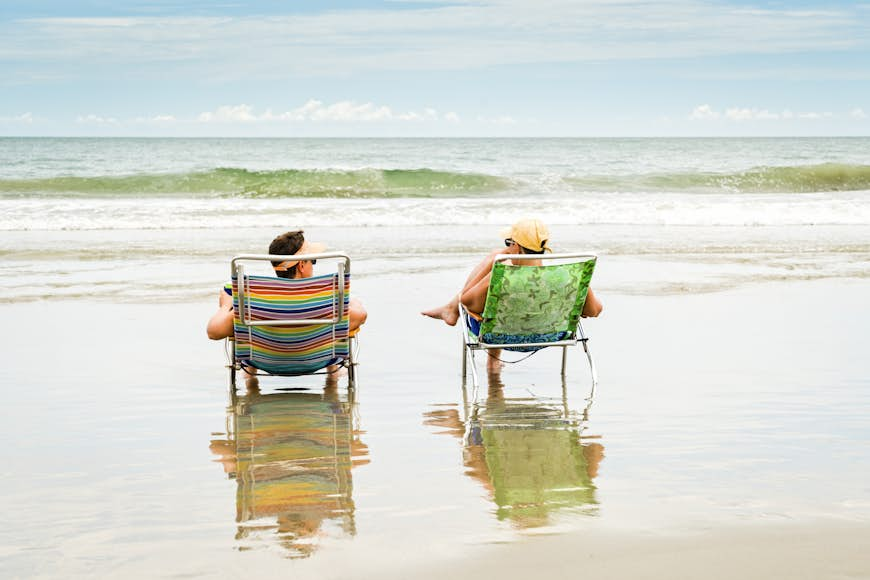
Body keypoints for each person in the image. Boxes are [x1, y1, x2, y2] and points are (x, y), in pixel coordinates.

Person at [421, 218, 602, 370]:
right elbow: (595, 311)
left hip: (497, 337)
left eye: (508, 243)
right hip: (551, 337)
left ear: (515, 246)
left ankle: (452, 313)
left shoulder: (501, 277)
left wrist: (493, 262)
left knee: (490, 303)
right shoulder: (566, 277)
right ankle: (491, 359)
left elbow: (468, 303)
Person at [206, 230, 367, 341]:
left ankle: (250, 380)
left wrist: (226, 306)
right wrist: (352, 300)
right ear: (302, 265)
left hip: (266, 359)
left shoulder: (254, 297)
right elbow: (360, 315)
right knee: (337, 325)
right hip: (315, 358)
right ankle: (332, 379)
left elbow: (214, 332)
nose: (313, 265)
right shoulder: (326, 295)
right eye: (313, 260)